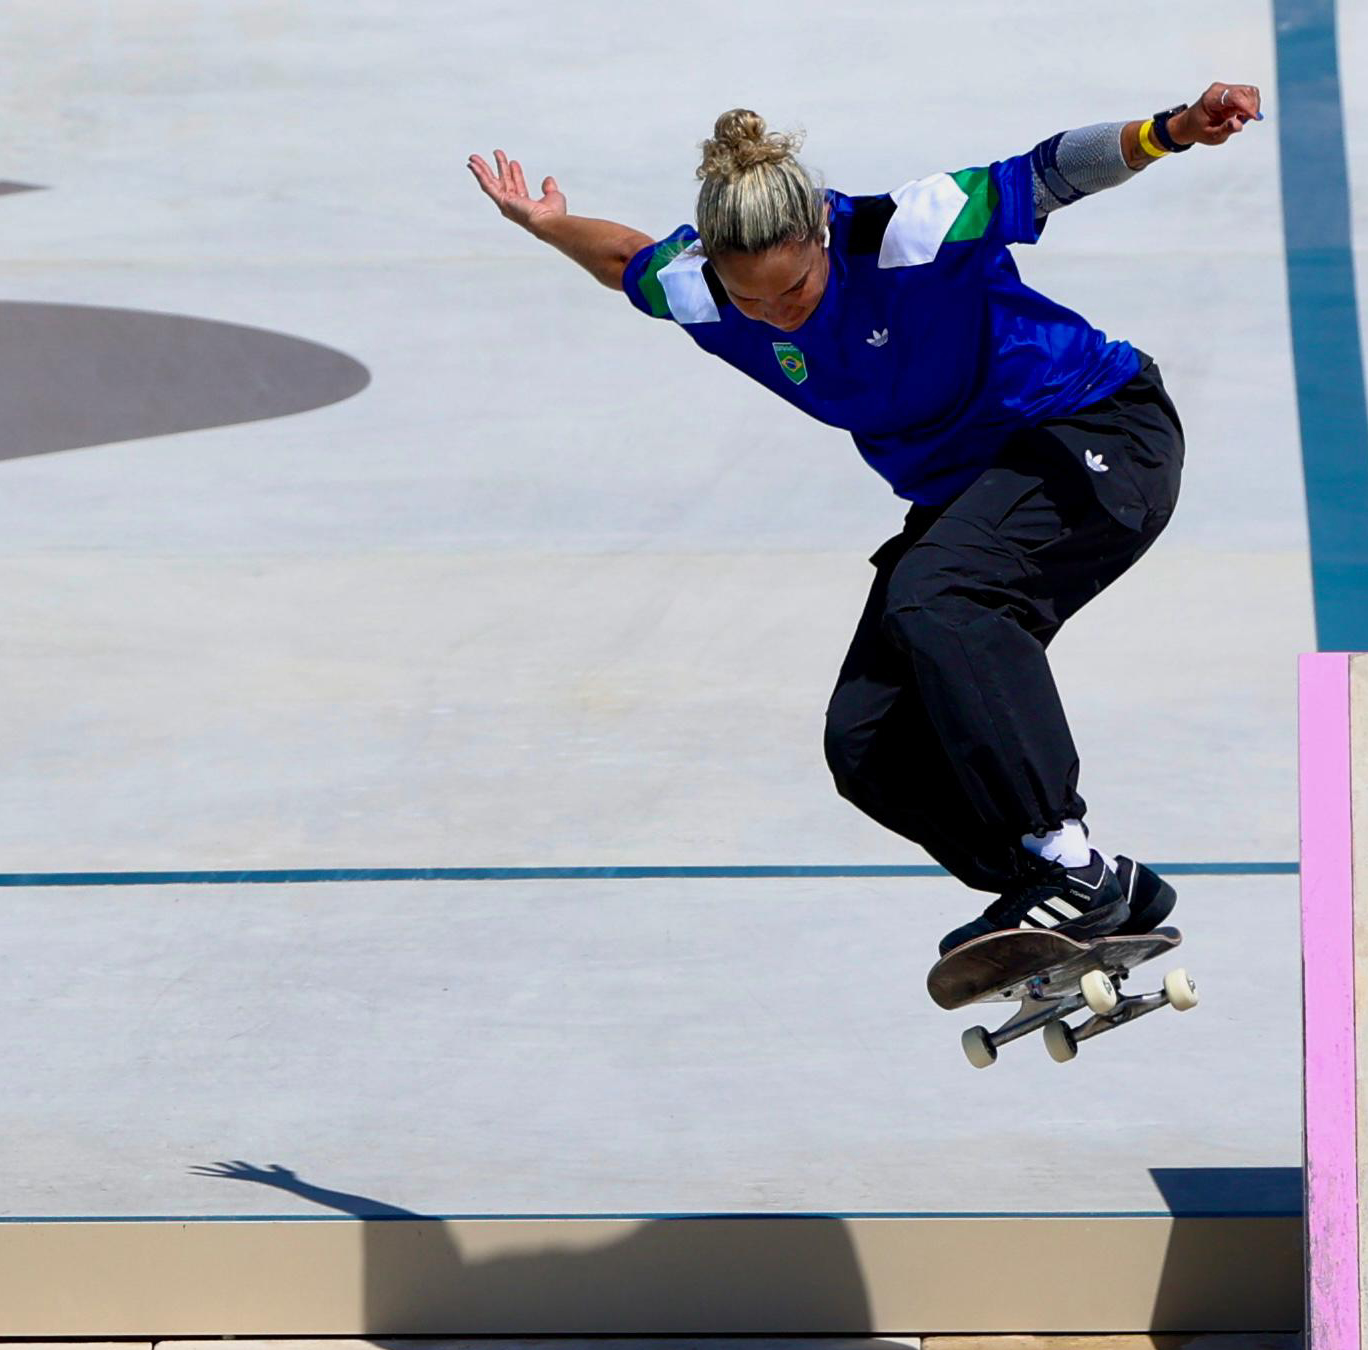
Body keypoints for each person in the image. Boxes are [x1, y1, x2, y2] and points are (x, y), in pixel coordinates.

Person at [469, 87, 1262, 956]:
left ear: (818, 233)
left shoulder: (905, 232)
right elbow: (624, 260)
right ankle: (1077, 890)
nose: (780, 314)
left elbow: (1044, 175)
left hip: (1092, 433)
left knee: (942, 597)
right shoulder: (703, 290)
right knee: (868, 743)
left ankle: (1063, 861)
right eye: (754, 303)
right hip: (970, 492)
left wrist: (1173, 130)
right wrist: (546, 224)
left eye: (796, 288)